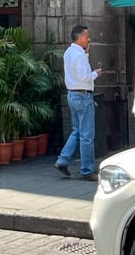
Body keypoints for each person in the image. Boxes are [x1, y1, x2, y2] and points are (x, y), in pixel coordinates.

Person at [55, 24, 101, 181]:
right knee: (87, 134)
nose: (89, 39)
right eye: (87, 37)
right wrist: (96, 73)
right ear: (80, 38)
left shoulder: (69, 52)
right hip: (83, 95)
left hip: (72, 94)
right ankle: (87, 170)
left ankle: (63, 159)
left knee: (77, 131)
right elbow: (84, 76)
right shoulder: (79, 55)